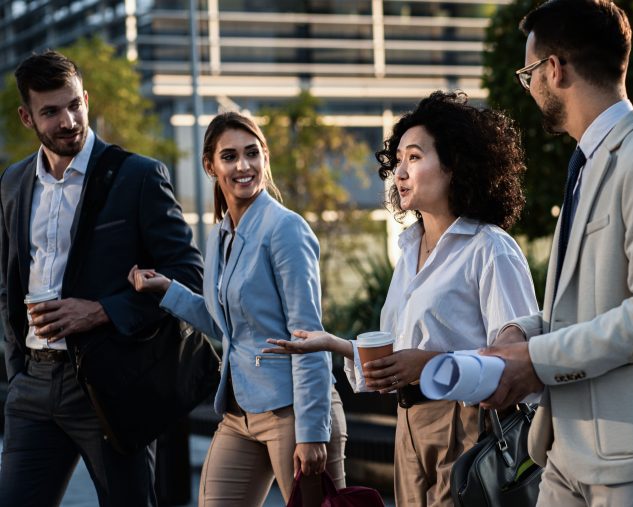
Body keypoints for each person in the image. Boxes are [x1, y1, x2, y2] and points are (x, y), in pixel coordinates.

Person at [479, 1, 633, 505]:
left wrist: (535, 358)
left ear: (554, 69)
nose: (528, 87)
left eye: (527, 73)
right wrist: (524, 331)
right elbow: (592, 304)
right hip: (568, 453)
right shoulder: (589, 164)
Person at [263, 91, 539, 506]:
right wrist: (334, 344)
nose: (400, 173)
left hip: (464, 423)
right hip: (408, 424)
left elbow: (514, 361)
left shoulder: (489, 248)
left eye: (414, 157)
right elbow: (395, 349)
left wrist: (427, 363)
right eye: (398, 162)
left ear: (454, 163)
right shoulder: (408, 249)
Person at [0, 51, 204, 506]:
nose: (68, 120)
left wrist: (100, 311)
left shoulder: (138, 176)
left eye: (74, 104)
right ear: (26, 117)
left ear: (86, 98)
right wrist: (17, 372)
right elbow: (8, 284)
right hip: (32, 386)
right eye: (50, 111)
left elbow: (188, 275)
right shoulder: (13, 183)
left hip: (108, 385)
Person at [128, 111, 346, 506]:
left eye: (251, 153)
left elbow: (308, 334)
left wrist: (313, 431)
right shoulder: (221, 234)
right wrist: (167, 290)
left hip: (293, 411)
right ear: (210, 166)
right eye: (229, 157)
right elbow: (225, 322)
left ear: (265, 156)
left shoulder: (285, 229)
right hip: (239, 412)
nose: (243, 166)